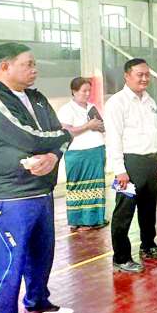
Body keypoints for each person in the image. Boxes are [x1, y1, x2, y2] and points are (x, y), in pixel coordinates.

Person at [0, 42, 73, 313]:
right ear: (5, 67)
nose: (34, 69)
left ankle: (38, 304)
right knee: (8, 265)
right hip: (10, 196)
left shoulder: (37, 98)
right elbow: (29, 137)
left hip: (42, 191)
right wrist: (64, 137)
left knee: (41, 255)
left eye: (34, 64)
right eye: (27, 64)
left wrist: (55, 154)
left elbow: (56, 135)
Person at [105, 58, 157, 274]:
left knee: (148, 209)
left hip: (150, 162)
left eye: (147, 75)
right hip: (129, 164)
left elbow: (156, 130)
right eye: (139, 74)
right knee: (124, 212)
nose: (144, 78)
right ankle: (121, 257)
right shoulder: (117, 103)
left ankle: (148, 246)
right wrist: (119, 170)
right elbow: (113, 138)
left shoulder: (150, 101)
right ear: (127, 76)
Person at [56, 77, 107, 231]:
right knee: (77, 187)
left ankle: (94, 219)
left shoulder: (92, 107)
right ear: (74, 91)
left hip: (96, 150)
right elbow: (67, 132)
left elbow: (102, 126)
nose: (87, 94)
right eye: (84, 91)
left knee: (96, 186)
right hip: (77, 153)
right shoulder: (66, 109)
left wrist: (98, 126)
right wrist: (88, 125)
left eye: (89, 91)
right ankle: (77, 220)